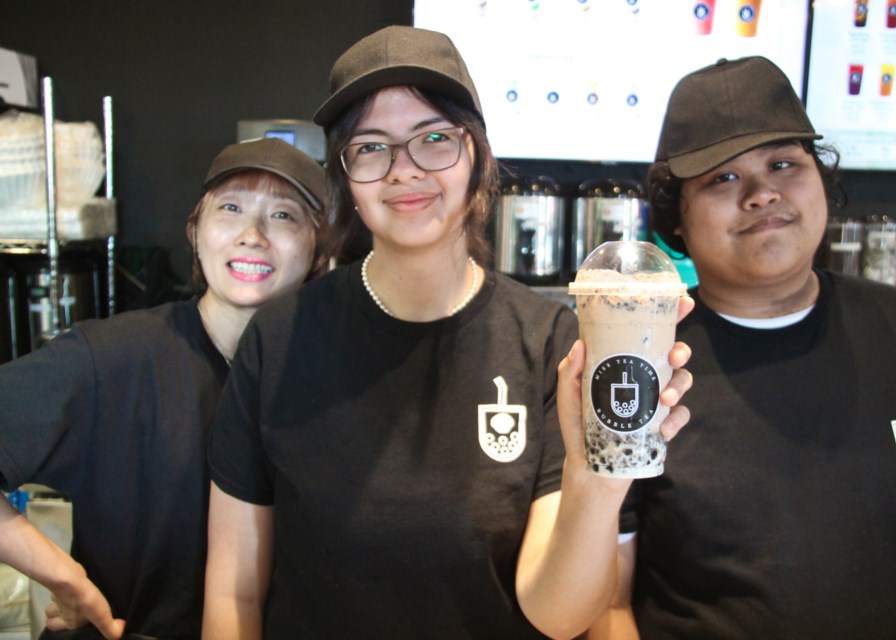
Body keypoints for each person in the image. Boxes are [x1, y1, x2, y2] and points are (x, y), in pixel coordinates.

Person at [202, 26, 693, 640]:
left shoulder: (549, 343)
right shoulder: (278, 341)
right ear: (346, 177)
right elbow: (233, 593)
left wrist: (597, 477)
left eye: (435, 139)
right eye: (371, 147)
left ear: (478, 157)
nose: (404, 171)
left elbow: (559, 615)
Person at [591, 56, 896, 640]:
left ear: (823, 182)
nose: (763, 194)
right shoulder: (644, 364)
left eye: (784, 164)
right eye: (723, 178)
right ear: (676, 220)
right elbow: (609, 603)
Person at [0, 137, 330, 640]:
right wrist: (65, 578)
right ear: (196, 231)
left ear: (319, 250)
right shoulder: (112, 358)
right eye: (231, 208)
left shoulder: (335, 380)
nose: (251, 234)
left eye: (283, 216)